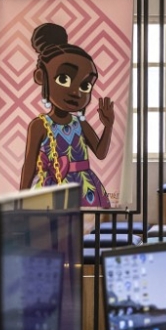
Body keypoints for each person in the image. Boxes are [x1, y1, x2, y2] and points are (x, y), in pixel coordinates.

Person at [20, 22, 113, 208]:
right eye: (64, 79)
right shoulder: (40, 125)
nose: (76, 92)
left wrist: (108, 125)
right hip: (53, 189)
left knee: (85, 232)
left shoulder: (80, 123)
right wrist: (21, 200)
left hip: (85, 188)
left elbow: (101, 153)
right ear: (40, 76)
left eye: (85, 85)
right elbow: (29, 165)